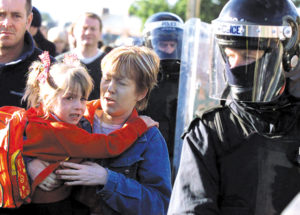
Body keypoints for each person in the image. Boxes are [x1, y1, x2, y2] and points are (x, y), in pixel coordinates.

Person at [168, 0, 300, 214]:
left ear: (285, 54)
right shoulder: (208, 133)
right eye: (229, 56)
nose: (235, 67)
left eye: (247, 56)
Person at [0, 51, 156, 214]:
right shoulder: (61, 132)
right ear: (48, 99)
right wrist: (139, 125)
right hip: (50, 207)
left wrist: (97, 104)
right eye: (69, 98)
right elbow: (108, 145)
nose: (79, 106)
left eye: (83, 98)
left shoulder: (36, 116)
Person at [55, 46, 172, 215]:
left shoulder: (149, 138)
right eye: (107, 78)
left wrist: (107, 179)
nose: (110, 88)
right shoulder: (74, 119)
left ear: (141, 93)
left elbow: (159, 205)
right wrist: (38, 168)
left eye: (122, 83)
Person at [142, 12, 184, 178]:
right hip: (148, 152)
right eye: (163, 45)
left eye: (172, 45)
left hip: (178, 151)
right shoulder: (141, 78)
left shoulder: (188, 78)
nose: (168, 50)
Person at [0, 0, 47, 107]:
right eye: (1, 15)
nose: (7, 23)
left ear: (28, 21)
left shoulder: (49, 69)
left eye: (16, 16)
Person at [57, 12, 105, 101]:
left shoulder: (108, 63)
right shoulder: (59, 62)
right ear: (74, 31)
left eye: (93, 29)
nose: (88, 32)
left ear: (100, 34)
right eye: (84, 28)